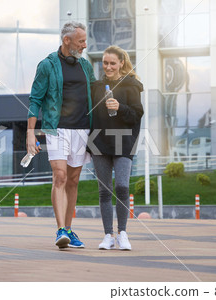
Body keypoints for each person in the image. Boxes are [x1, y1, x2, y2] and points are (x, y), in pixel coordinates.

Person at [26, 21, 96, 249]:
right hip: (55, 128)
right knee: (60, 176)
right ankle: (60, 230)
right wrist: (30, 133)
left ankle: (69, 229)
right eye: (81, 41)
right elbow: (35, 99)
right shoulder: (47, 65)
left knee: (73, 180)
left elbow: (95, 96)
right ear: (67, 40)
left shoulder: (86, 67)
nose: (85, 45)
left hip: (82, 129)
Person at [89, 45, 144, 250]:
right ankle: (107, 236)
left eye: (113, 63)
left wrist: (120, 107)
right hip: (99, 142)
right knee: (104, 191)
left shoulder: (132, 85)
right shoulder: (96, 86)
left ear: (121, 63)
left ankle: (122, 233)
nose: (108, 67)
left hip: (123, 142)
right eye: (105, 63)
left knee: (122, 187)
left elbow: (137, 114)